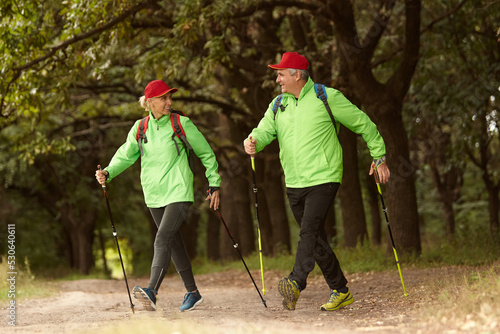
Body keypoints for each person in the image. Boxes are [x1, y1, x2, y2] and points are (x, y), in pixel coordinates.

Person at [244, 52, 390, 311]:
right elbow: (265, 130)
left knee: (308, 232)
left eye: (281, 73)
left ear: (296, 74)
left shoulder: (326, 97)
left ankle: (296, 281)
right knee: (316, 238)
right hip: (294, 181)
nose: (277, 78)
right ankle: (341, 290)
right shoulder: (278, 104)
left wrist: (378, 156)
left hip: (324, 176)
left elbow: (363, 123)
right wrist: (253, 140)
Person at [95, 79, 221, 312]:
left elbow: (206, 152)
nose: (169, 102)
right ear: (150, 102)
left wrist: (214, 182)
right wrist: (108, 172)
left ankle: (151, 291)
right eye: (164, 98)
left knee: (162, 237)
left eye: (170, 97)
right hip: (153, 193)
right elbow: (126, 154)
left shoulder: (181, 123)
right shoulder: (140, 127)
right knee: (172, 242)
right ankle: (193, 293)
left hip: (178, 190)